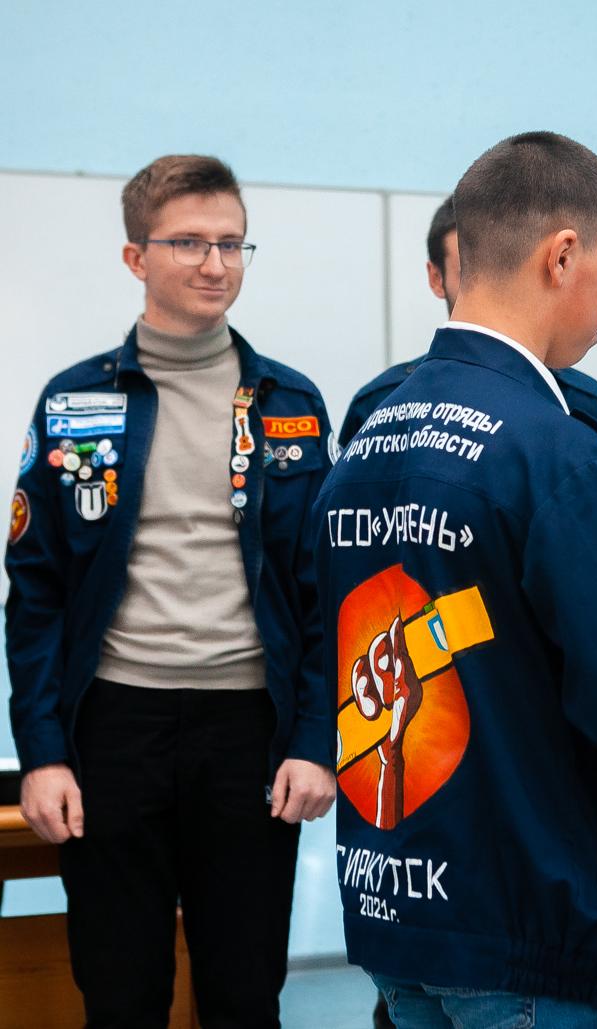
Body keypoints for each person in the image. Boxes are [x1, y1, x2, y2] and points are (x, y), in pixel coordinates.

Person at [314, 131, 597, 1029]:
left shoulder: (373, 434)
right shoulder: (555, 452)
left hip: (398, 902)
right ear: (561, 256)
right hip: (529, 921)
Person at [6, 154, 335, 1028]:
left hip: (250, 732)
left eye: (231, 243)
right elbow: (34, 595)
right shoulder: (75, 399)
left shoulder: (291, 403)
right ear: (135, 257)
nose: (214, 263)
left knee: (244, 994)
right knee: (120, 993)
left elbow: (319, 592)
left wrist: (315, 739)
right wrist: (43, 752)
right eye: (188, 242)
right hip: (116, 726)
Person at [339, 195, 597, 453]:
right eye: (469, 271)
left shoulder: (590, 405)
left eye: (496, 268)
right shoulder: (379, 403)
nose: (485, 284)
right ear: (436, 278)